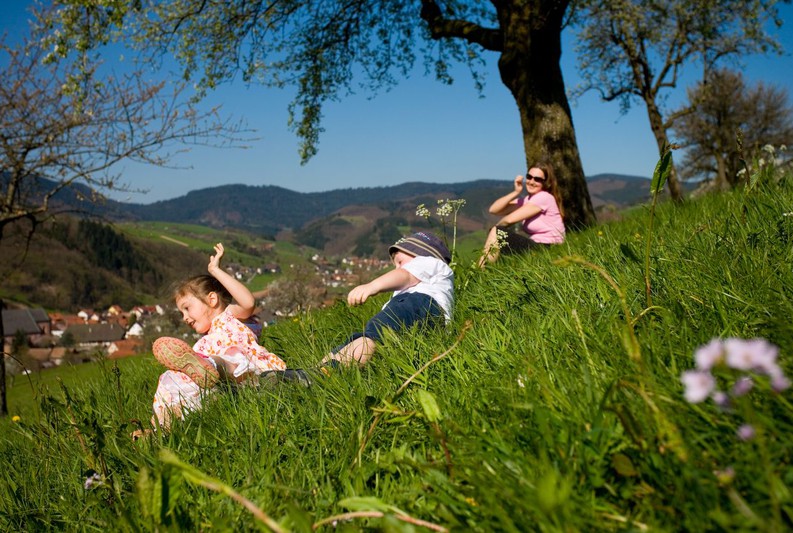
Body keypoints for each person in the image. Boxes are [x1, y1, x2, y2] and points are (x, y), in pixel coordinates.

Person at [136, 243, 286, 435]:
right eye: (181, 313)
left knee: (224, 361)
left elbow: (248, 302)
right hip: (219, 384)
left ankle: (210, 367)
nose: (184, 318)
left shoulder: (229, 315)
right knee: (172, 380)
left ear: (212, 300)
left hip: (243, 370)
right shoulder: (205, 341)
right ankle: (160, 427)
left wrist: (215, 270)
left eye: (187, 308)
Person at [269, 231, 454, 383]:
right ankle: (312, 373)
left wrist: (372, 286)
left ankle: (325, 374)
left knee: (377, 332)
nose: (397, 268)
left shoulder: (430, 262)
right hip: (418, 316)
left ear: (421, 252)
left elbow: (405, 276)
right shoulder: (415, 281)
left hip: (424, 306)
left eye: (399, 261)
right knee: (361, 339)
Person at [478, 162, 565, 266]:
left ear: (546, 182)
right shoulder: (527, 200)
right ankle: (483, 270)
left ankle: (480, 271)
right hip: (539, 246)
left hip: (549, 247)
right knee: (497, 233)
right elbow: (494, 209)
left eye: (537, 179)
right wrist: (516, 192)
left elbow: (509, 220)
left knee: (497, 231)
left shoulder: (544, 197)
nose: (531, 182)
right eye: (529, 177)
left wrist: (494, 231)